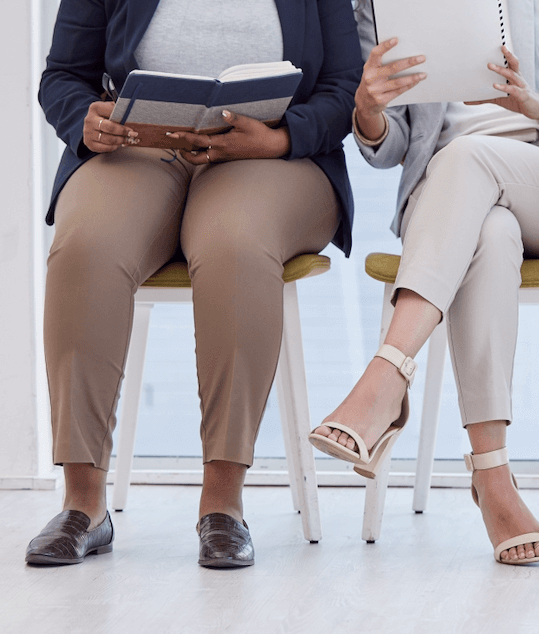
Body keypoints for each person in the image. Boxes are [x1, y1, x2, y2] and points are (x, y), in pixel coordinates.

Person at [26, 0, 358, 569]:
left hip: (272, 155)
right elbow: (62, 76)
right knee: (88, 248)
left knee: (234, 245)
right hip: (139, 147)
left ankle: (222, 504)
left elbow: (344, 85)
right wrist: (85, 116)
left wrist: (280, 139)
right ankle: (83, 504)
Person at [309, 0, 539, 566]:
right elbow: (390, 147)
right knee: (493, 227)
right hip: (455, 208)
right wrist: (368, 110)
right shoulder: (384, 9)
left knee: (469, 157)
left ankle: (386, 377)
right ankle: (494, 477)